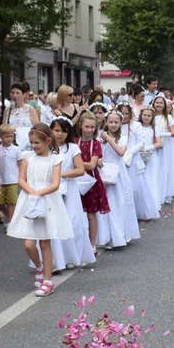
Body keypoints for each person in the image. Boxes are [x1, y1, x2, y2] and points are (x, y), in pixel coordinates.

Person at [6, 124, 73, 297]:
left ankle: (48, 280)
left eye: (37, 143)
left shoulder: (55, 160)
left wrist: (39, 193)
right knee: (28, 243)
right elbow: (21, 179)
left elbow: (55, 184)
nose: (34, 146)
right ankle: (40, 267)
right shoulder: (28, 157)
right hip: (30, 199)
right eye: (32, 142)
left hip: (47, 200)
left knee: (45, 242)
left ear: (48, 141)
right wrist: (31, 193)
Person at [47, 117, 96, 272]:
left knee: (73, 222)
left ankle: (72, 256)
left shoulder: (72, 148)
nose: (60, 134)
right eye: (57, 130)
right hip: (51, 189)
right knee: (54, 224)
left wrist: (61, 174)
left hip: (69, 188)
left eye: (64, 131)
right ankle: (55, 260)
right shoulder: (47, 147)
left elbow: (80, 169)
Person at [97, 110, 141, 249]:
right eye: (110, 122)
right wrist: (97, 158)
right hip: (105, 171)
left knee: (119, 203)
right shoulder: (99, 136)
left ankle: (120, 235)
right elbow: (97, 151)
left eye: (116, 122)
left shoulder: (122, 137)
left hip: (118, 173)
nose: (113, 125)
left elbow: (121, 152)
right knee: (106, 204)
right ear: (106, 122)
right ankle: (106, 237)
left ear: (120, 123)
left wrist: (109, 139)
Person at [76, 112, 109, 256]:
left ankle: (92, 244)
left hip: (91, 181)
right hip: (76, 180)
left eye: (92, 127)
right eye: (86, 127)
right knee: (76, 213)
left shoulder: (95, 143)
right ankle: (77, 244)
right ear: (80, 126)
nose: (89, 130)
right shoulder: (74, 141)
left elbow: (92, 165)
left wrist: (75, 162)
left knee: (91, 214)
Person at [0, 124, 22, 224]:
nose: (9, 139)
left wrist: (22, 177)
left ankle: (10, 223)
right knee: (0, 202)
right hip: (0, 180)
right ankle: (4, 215)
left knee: (11, 202)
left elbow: (20, 164)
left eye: (11, 136)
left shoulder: (16, 149)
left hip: (12, 179)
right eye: (6, 136)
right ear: (0, 137)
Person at [5, 82, 40, 151]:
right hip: (11, 144)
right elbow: (4, 127)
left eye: (17, 93)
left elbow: (37, 128)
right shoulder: (8, 109)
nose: (15, 95)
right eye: (13, 93)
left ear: (24, 94)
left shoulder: (30, 109)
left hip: (27, 145)